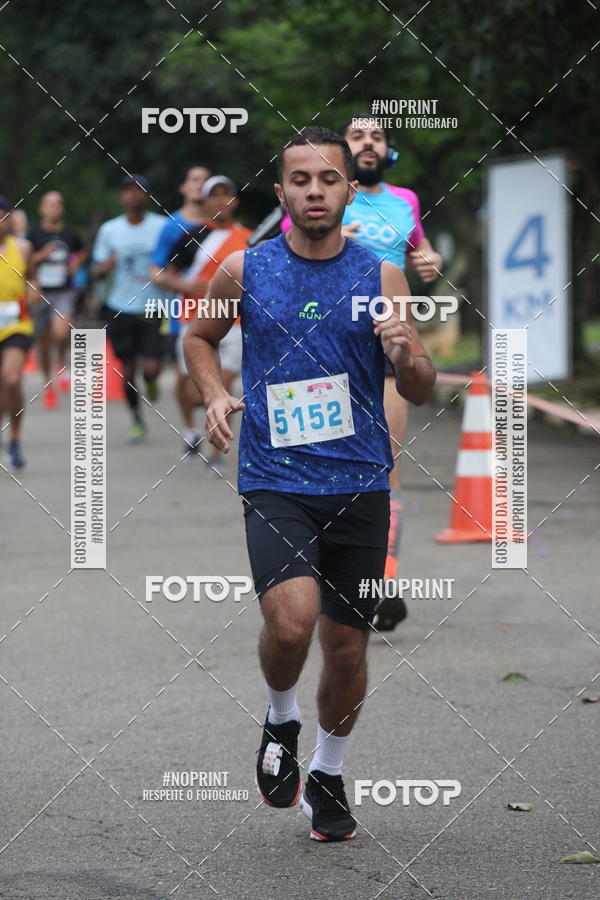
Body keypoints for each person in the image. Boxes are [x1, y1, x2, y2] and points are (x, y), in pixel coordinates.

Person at [184, 127, 435, 841]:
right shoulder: (246, 269)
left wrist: (403, 351)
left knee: (349, 647)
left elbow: (417, 385)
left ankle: (328, 770)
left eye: (328, 180)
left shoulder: (380, 277)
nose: (315, 191)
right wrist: (211, 392)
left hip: (360, 479)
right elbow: (198, 337)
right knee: (292, 623)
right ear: (284, 190)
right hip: (275, 477)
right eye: (301, 180)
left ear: (348, 189)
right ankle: (280, 716)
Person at [164, 175, 251, 462]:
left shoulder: (250, 238)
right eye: (214, 196)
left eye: (226, 195)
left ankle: (217, 451)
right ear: (205, 201)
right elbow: (165, 273)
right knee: (194, 394)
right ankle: (193, 429)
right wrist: (186, 287)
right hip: (194, 321)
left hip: (236, 323)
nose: (220, 202)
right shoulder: (191, 236)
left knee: (223, 386)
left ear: (235, 201)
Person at [92, 175, 166, 442]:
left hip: (154, 305)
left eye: (139, 191)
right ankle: (137, 419)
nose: (134, 195)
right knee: (127, 370)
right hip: (119, 306)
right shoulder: (110, 230)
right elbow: (97, 270)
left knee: (151, 366)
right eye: (128, 191)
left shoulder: (163, 226)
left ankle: (154, 380)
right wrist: (104, 267)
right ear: (121, 197)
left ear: (148, 196)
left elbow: (176, 260)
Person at [27, 191, 86, 407]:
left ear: (62, 209)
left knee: (61, 331)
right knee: (42, 341)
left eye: (58, 204)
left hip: (63, 290)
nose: (53, 207)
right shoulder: (32, 234)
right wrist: (40, 256)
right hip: (40, 291)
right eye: (49, 204)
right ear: (41, 208)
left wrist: (76, 263)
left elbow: (81, 252)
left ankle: (61, 362)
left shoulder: (70, 233)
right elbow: (24, 259)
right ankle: (47, 382)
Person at [0, 197, 39, 469]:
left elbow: (33, 280)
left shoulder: (23, 248)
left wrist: (34, 293)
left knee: (11, 379)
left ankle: (14, 438)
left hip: (17, 324)